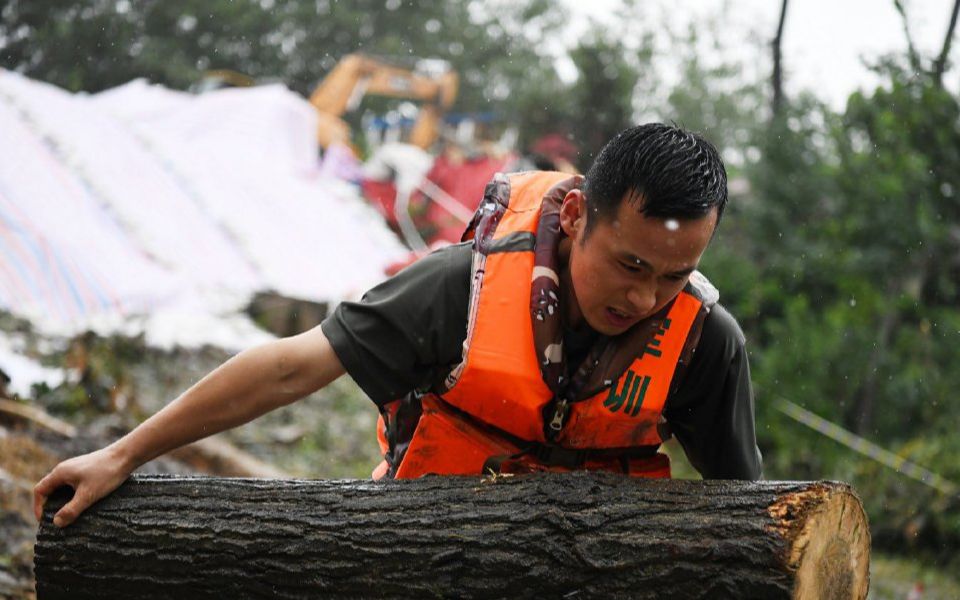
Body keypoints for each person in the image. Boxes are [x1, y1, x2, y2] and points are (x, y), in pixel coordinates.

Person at [34, 123, 762, 528]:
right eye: (631, 265)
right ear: (576, 218)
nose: (645, 298)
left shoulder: (704, 341)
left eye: (674, 276)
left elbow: (747, 515)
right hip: (418, 549)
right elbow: (295, 364)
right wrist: (121, 456)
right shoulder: (462, 291)